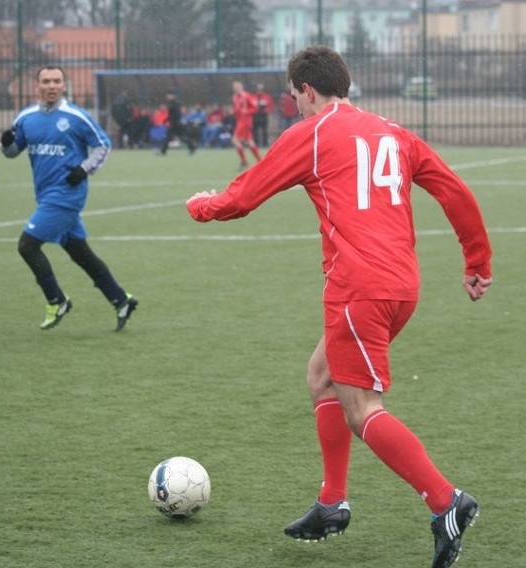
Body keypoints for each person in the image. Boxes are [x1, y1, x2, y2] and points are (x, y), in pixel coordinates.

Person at [187, 46, 491, 568]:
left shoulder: (311, 133)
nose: (295, 108)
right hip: (401, 286)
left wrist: (201, 205)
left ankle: (446, 503)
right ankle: (332, 503)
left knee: (363, 410)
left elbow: (241, 198)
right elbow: (453, 190)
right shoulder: (393, 131)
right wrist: (476, 259)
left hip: (358, 289)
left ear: (306, 90)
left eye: (293, 98)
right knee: (322, 376)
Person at [0, 65, 138, 331]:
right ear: (37, 86)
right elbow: (12, 151)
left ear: (64, 86)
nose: (51, 86)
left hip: (67, 194)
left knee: (27, 246)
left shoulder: (76, 116)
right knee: (80, 252)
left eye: (56, 81)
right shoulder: (26, 117)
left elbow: (103, 144)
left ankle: (57, 300)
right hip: (45, 194)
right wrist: (6, 143)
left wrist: (84, 169)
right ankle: (121, 299)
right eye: (46, 81)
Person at [230, 80, 262, 169]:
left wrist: (247, 112)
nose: (236, 89)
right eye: (235, 88)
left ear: (242, 87)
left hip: (245, 121)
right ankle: (260, 160)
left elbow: (255, 108)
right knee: (249, 141)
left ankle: (244, 161)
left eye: (238, 87)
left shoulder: (247, 96)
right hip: (240, 121)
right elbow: (237, 109)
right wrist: (233, 111)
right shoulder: (235, 97)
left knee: (235, 140)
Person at [252, 83, 274, 147]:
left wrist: (266, 111)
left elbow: (271, 105)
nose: (259, 90)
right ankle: (256, 144)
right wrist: (254, 110)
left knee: (264, 130)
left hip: (263, 116)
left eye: (260, 88)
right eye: (258, 88)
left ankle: (264, 144)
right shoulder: (253, 96)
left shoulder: (266, 96)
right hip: (255, 116)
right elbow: (250, 105)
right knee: (255, 131)